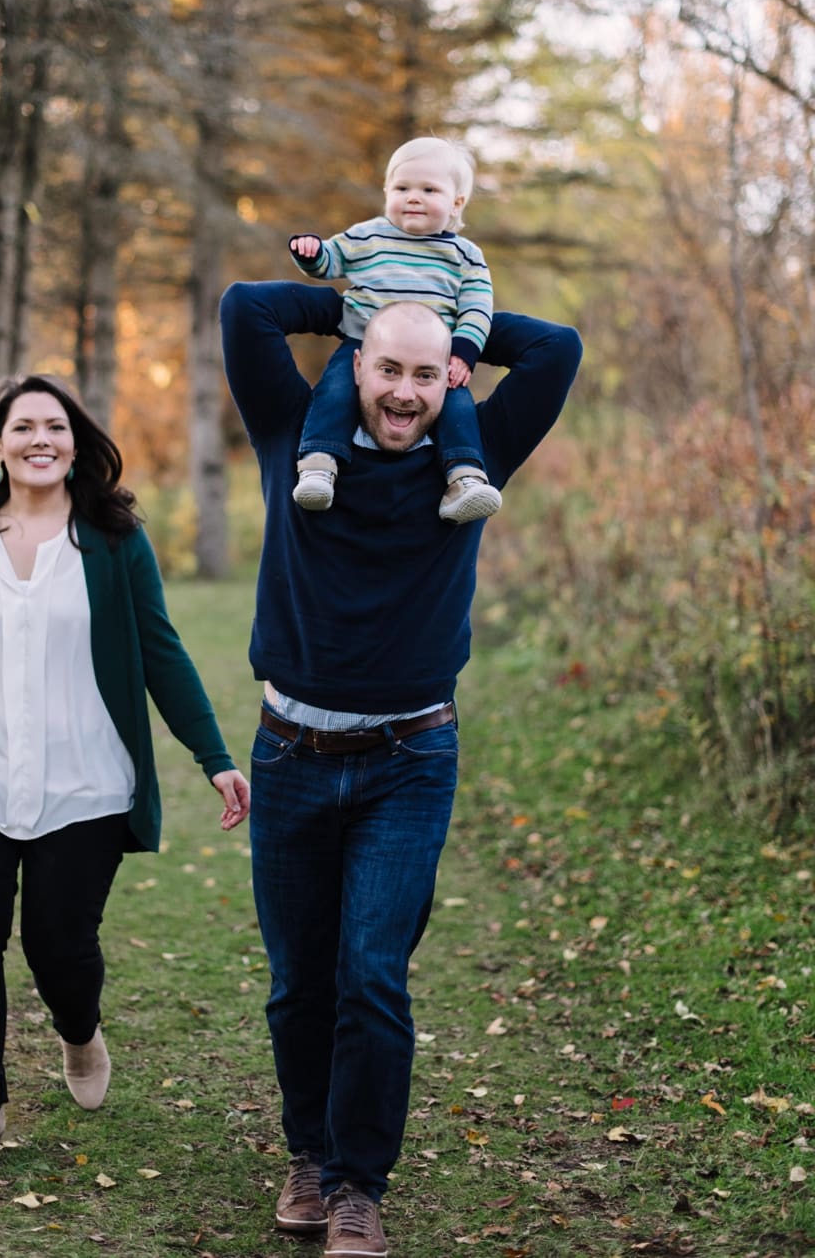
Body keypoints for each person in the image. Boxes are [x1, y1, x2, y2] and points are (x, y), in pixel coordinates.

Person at [220, 281, 581, 1258]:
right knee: (298, 981)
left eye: (428, 373)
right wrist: (368, 299)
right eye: (389, 366)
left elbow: (555, 347)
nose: (406, 391)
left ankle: (355, 1187)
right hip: (289, 752)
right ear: (355, 366)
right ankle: (307, 1153)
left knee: (372, 974)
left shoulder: (475, 462)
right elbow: (245, 309)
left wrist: (452, 316)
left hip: (410, 758)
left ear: (450, 379)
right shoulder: (295, 437)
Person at [0, 374, 250, 1180]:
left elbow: (161, 649)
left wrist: (216, 758)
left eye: (56, 426)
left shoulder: (114, 541)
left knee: (61, 946)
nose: (40, 439)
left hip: (85, 782)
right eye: (23, 427)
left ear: (76, 443)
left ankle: (79, 1032)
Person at [288, 136, 501, 525]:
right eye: (402, 188)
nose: (413, 197)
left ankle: (464, 479)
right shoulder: (369, 236)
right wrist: (312, 254)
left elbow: (477, 306)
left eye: (428, 189)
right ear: (387, 192)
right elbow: (332, 261)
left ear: (457, 203)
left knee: (457, 406)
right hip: (366, 343)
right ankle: (319, 464)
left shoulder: (464, 255)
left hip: (431, 358)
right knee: (335, 390)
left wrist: (465, 350)